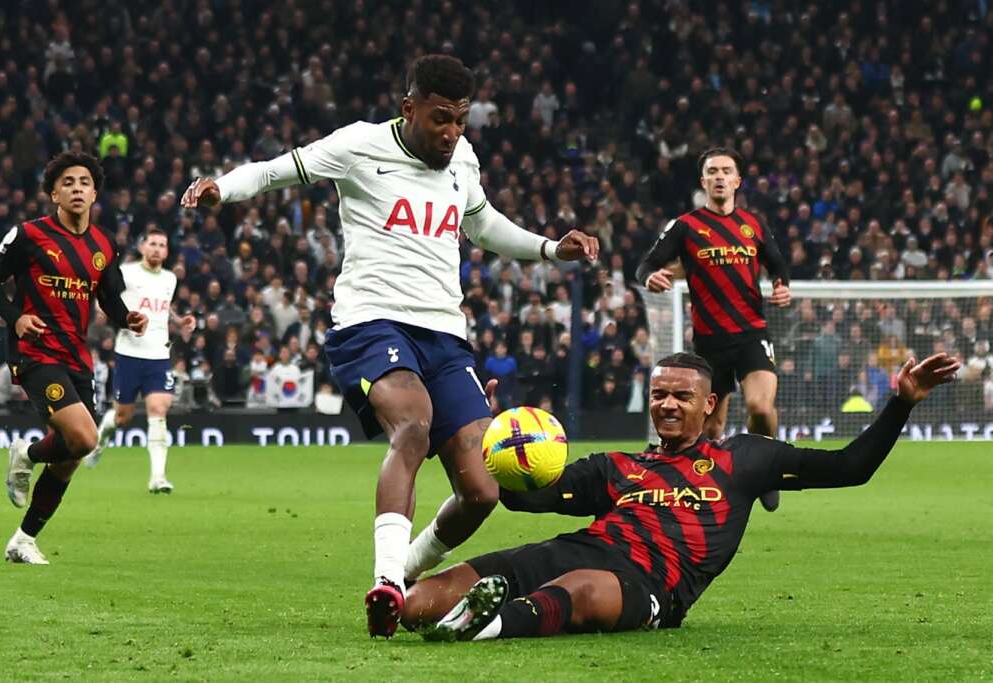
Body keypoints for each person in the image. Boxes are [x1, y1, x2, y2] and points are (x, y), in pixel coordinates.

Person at [180, 54, 599, 636]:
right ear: (409, 109)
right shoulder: (360, 146)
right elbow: (276, 170)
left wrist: (553, 249)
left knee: (481, 491)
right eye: (440, 120)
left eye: (460, 121)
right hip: (371, 322)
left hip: (446, 334)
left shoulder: (464, 162)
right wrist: (219, 190)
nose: (451, 134)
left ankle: (403, 573)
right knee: (414, 425)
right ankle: (383, 580)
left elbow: (484, 225)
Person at [403, 351, 959, 641]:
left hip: (648, 586)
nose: (667, 405)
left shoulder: (746, 457)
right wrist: (500, 442)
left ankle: (487, 626)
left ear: (710, 402)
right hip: (577, 549)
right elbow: (530, 499)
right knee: (435, 594)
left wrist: (901, 404)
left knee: (582, 592)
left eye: (681, 396)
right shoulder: (618, 467)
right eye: (659, 395)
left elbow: (849, 468)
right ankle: (412, 606)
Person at [0, 151, 147, 564]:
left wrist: (128, 318)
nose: (77, 188)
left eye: (84, 182)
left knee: (72, 455)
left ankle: (23, 539)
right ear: (53, 193)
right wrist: (16, 319)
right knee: (86, 438)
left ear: (94, 193)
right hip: (35, 350)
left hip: (76, 354)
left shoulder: (104, 243)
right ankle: (27, 454)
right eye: (68, 182)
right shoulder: (30, 235)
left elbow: (108, 296)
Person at [636, 147, 791, 511]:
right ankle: (705, 492)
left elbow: (778, 264)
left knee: (760, 407)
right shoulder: (686, 227)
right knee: (710, 429)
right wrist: (650, 277)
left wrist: (782, 285)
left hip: (752, 334)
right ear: (703, 181)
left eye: (726, 171)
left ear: (737, 181)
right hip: (709, 344)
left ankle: (766, 471)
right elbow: (646, 263)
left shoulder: (753, 225)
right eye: (712, 171)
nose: (719, 176)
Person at [83, 228, 196, 493]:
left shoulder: (170, 279)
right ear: (143, 247)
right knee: (123, 417)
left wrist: (180, 322)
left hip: (158, 355)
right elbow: (106, 299)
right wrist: (117, 319)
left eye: (162, 245)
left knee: (159, 409)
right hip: (129, 353)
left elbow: (163, 307)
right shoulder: (127, 272)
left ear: (167, 251)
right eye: (153, 243)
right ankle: (100, 442)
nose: (157, 249)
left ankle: (158, 477)